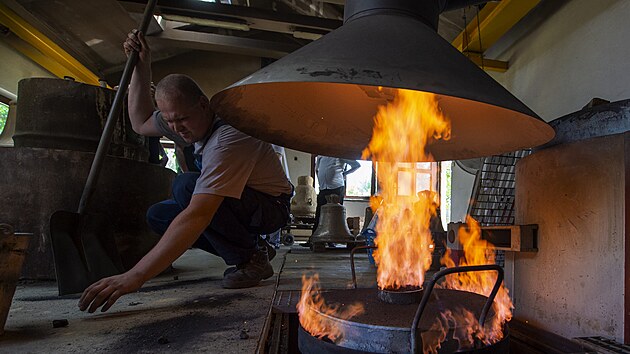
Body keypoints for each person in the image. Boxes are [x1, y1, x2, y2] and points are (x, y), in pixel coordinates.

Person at [78, 29, 293, 313]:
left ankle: (252, 257)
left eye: (182, 119)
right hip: (241, 203)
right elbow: (140, 122)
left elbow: (199, 214)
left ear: (204, 105)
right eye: (169, 121)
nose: (176, 128)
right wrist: (142, 66)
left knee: (186, 186)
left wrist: (136, 275)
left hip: (271, 207)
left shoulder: (230, 136)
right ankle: (254, 251)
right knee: (159, 215)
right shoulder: (183, 121)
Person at [311, 156, 361, 234]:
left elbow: (356, 165)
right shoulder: (321, 155)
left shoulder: (339, 154)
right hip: (323, 188)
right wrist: (321, 181)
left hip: (336, 187)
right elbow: (317, 170)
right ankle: (314, 238)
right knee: (319, 214)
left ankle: (332, 239)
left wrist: (344, 174)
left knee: (335, 214)